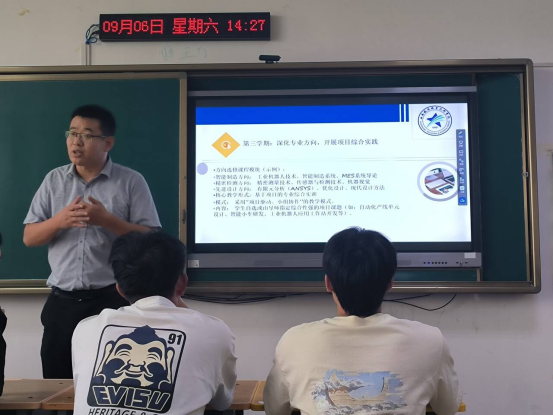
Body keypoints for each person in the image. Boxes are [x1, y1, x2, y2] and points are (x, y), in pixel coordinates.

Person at [23, 105, 161, 379]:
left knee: (110, 383)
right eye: (72, 133)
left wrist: (107, 220)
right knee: (57, 384)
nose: (76, 141)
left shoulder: (130, 181)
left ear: (107, 143)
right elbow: (29, 237)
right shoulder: (53, 180)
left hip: (111, 301)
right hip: (62, 303)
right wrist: (59, 221)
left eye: (86, 135)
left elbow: (153, 238)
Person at [264, 227, 462, 415]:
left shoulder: (294, 342)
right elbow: (449, 408)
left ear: (328, 283)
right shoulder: (430, 341)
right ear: (390, 283)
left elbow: (275, 409)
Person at [72, 231, 237, 415]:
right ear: (182, 284)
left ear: (119, 289)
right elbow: (223, 403)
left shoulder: (85, 330)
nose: (135, 366)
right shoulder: (213, 332)